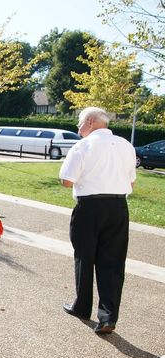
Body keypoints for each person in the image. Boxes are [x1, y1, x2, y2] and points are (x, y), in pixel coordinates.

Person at [59, 107, 136, 334]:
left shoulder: (83, 145)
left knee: (84, 257)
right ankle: (108, 317)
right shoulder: (125, 145)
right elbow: (131, 182)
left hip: (89, 208)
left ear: (91, 122)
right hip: (118, 208)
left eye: (80, 123)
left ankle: (82, 307)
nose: (78, 127)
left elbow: (66, 180)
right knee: (112, 263)